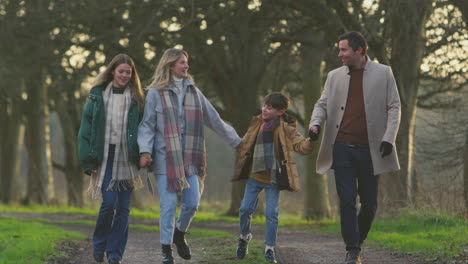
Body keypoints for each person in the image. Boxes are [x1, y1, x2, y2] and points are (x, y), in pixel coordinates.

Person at [138, 48, 242, 264]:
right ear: (170, 66)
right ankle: (166, 249)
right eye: (182, 63)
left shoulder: (194, 92)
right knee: (167, 205)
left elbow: (214, 119)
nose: (186, 66)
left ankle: (179, 233)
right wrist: (145, 151)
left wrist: (237, 143)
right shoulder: (155, 93)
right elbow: (147, 125)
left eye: (186, 62)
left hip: (190, 158)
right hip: (164, 157)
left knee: (192, 203)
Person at [308, 31, 401, 264]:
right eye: (339, 49)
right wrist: (315, 125)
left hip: (371, 150)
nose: (339, 54)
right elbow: (322, 104)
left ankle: (356, 244)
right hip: (342, 148)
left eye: (344, 50)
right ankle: (352, 250)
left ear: (359, 50)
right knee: (347, 199)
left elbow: (394, 107)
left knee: (369, 205)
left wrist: (389, 138)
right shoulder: (333, 76)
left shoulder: (384, 73)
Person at [232, 92, 316, 263]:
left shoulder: (286, 129)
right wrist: (237, 144)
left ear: (280, 111)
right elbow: (245, 142)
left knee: (272, 213)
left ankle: (269, 248)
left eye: (269, 108)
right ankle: (244, 237)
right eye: (264, 105)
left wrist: (312, 139)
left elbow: (302, 147)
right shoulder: (256, 123)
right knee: (244, 209)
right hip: (254, 175)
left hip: (273, 179)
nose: (264, 109)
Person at [77, 54, 145, 264]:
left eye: (128, 72)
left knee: (124, 208)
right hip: (105, 156)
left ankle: (115, 254)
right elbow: (85, 129)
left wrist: (144, 153)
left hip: (127, 158)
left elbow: (144, 129)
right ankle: (99, 244)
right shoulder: (97, 95)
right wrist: (89, 161)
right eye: (121, 71)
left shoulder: (137, 98)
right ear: (113, 71)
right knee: (108, 203)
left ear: (132, 75)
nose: (125, 75)